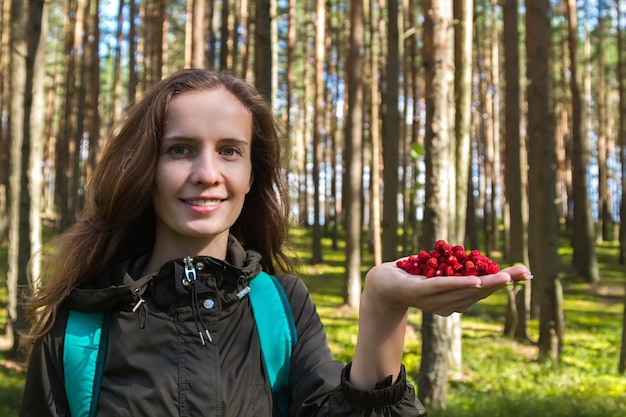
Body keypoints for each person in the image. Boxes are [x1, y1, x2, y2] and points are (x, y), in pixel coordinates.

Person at [19, 68, 532, 416]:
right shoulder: (78, 326)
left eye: (229, 151)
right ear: (145, 169)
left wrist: (384, 305)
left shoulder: (282, 306)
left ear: (250, 174)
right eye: (180, 149)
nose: (206, 173)